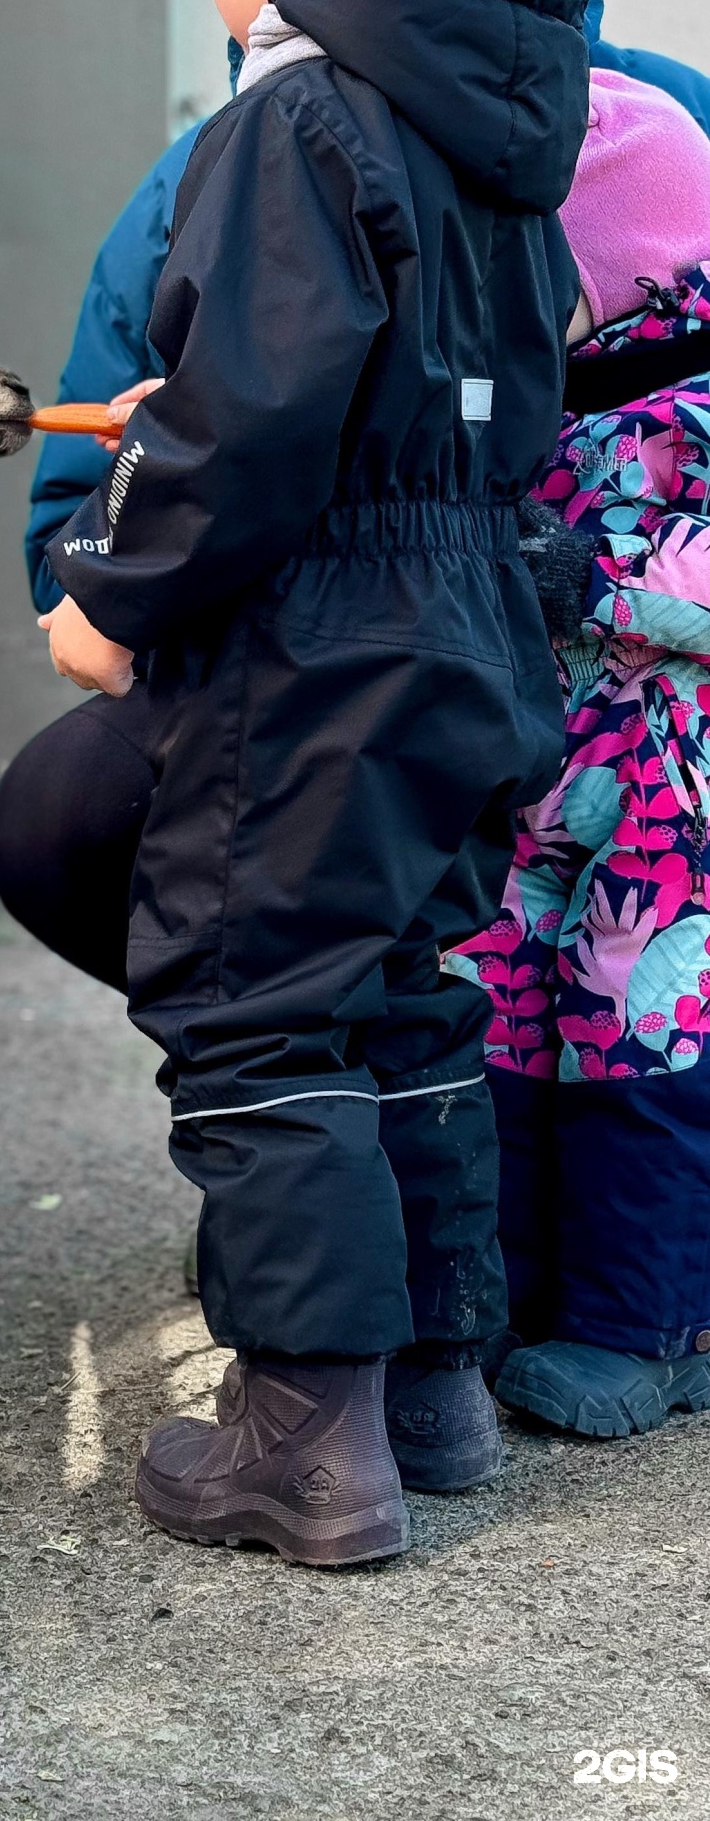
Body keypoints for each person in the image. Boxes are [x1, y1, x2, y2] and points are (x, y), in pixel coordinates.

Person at [18, 0, 588, 1566]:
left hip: (318, 641)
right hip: (481, 632)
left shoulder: (290, 118)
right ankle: (432, 1391)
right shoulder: (501, 143)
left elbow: (238, 426)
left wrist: (114, 591)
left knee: (257, 1011)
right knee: (404, 995)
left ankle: (303, 1440)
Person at [0, 0, 710, 998]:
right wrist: (179, 467)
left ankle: (319, 1074)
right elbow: (75, 544)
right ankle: (316, 1054)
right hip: (339, 659)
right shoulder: (233, 168)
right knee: (74, 820)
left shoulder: (662, 137)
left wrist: (593, 572)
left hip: (641, 690)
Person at [451, 71, 710, 1440]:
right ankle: (516, 1290)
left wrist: (597, 581)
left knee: (633, 1034)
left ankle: (643, 1325)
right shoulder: (526, 394)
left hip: (673, 814)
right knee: (505, 1014)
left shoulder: (697, 408)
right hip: (540, 780)